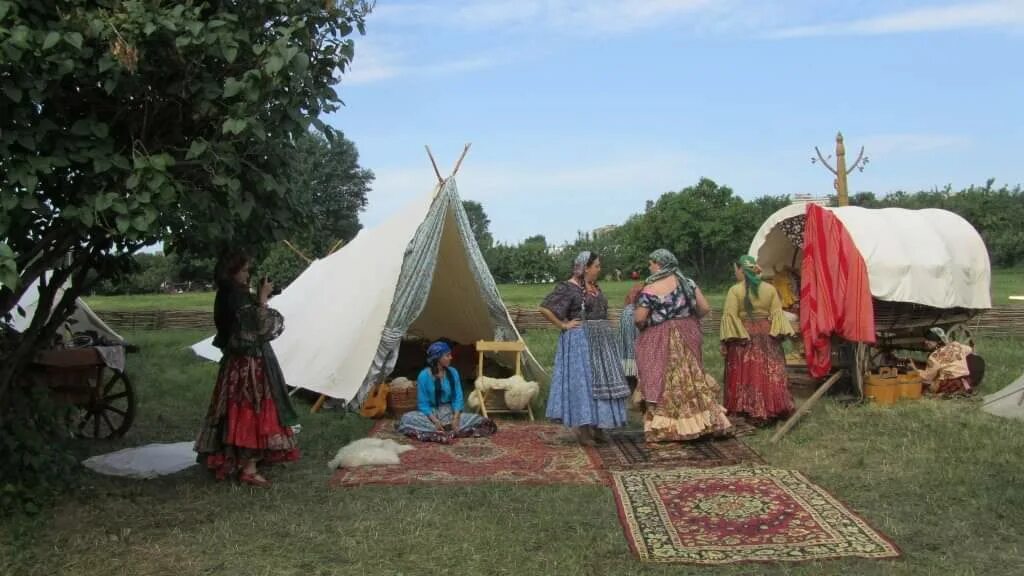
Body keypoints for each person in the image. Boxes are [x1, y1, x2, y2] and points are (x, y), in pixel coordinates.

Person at [195, 250, 299, 487]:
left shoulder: (227, 294)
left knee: (234, 410)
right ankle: (249, 468)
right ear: (231, 273)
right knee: (252, 410)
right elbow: (258, 328)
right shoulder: (236, 297)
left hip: (236, 364)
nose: (247, 274)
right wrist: (262, 299)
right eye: (243, 270)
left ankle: (240, 461)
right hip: (249, 364)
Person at [634, 249, 731, 442]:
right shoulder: (688, 283)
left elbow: (639, 318)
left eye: (651, 263)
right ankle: (704, 422)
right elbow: (704, 308)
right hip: (688, 334)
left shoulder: (651, 288)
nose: (649, 267)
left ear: (659, 264)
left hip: (660, 338)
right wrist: (688, 320)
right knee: (692, 377)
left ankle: (670, 427)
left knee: (664, 378)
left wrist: (649, 324)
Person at [540, 251, 630, 445]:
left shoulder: (594, 287)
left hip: (602, 341)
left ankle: (599, 427)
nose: (599, 269)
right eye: (596, 266)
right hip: (580, 342)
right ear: (585, 268)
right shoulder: (568, 287)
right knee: (585, 384)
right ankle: (584, 430)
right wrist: (563, 325)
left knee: (603, 383)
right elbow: (545, 308)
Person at [720, 255, 796, 424]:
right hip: (766, 333)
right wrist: (778, 334)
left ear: (741, 270)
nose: (735, 273)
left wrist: (725, 342)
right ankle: (773, 408)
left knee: (746, 371)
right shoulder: (770, 289)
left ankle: (745, 409)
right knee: (768, 370)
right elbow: (777, 314)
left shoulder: (735, 290)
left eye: (736, 270)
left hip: (742, 336)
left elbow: (730, 317)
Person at [396, 341, 497, 443]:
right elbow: (423, 403)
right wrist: (435, 421)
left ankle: (442, 431)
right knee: (407, 418)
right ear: (437, 358)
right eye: (447, 355)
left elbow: (458, 397)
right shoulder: (423, 376)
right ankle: (441, 430)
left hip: (449, 413)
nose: (451, 358)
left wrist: (456, 418)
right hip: (431, 414)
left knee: (481, 421)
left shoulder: (453, 372)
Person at [918, 327, 976, 396]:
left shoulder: (934, 356)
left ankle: (947, 392)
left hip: (948, 384)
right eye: (926, 339)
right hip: (966, 381)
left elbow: (928, 376)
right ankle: (961, 390)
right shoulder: (956, 345)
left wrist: (917, 371)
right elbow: (969, 350)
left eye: (929, 340)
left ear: (938, 341)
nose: (926, 342)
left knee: (926, 383)